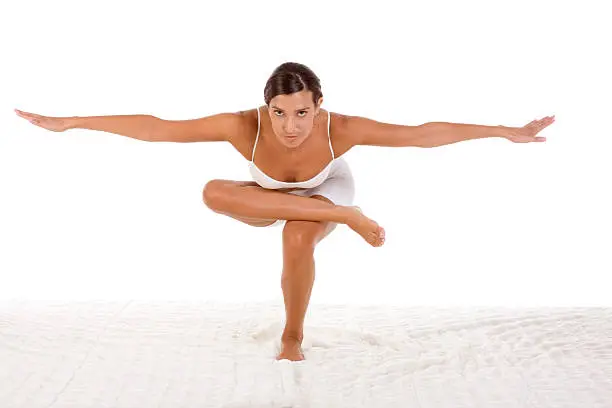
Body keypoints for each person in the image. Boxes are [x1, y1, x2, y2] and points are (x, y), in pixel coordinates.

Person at [14, 61, 554, 361]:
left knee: (297, 236)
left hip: (326, 191)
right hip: (267, 194)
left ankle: (292, 335)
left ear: (318, 106)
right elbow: (157, 127)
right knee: (210, 190)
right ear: (264, 108)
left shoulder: (339, 129)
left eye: (301, 112)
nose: (290, 126)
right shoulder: (241, 126)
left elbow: (420, 135)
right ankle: (350, 219)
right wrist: (73, 122)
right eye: (279, 113)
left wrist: (506, 132)